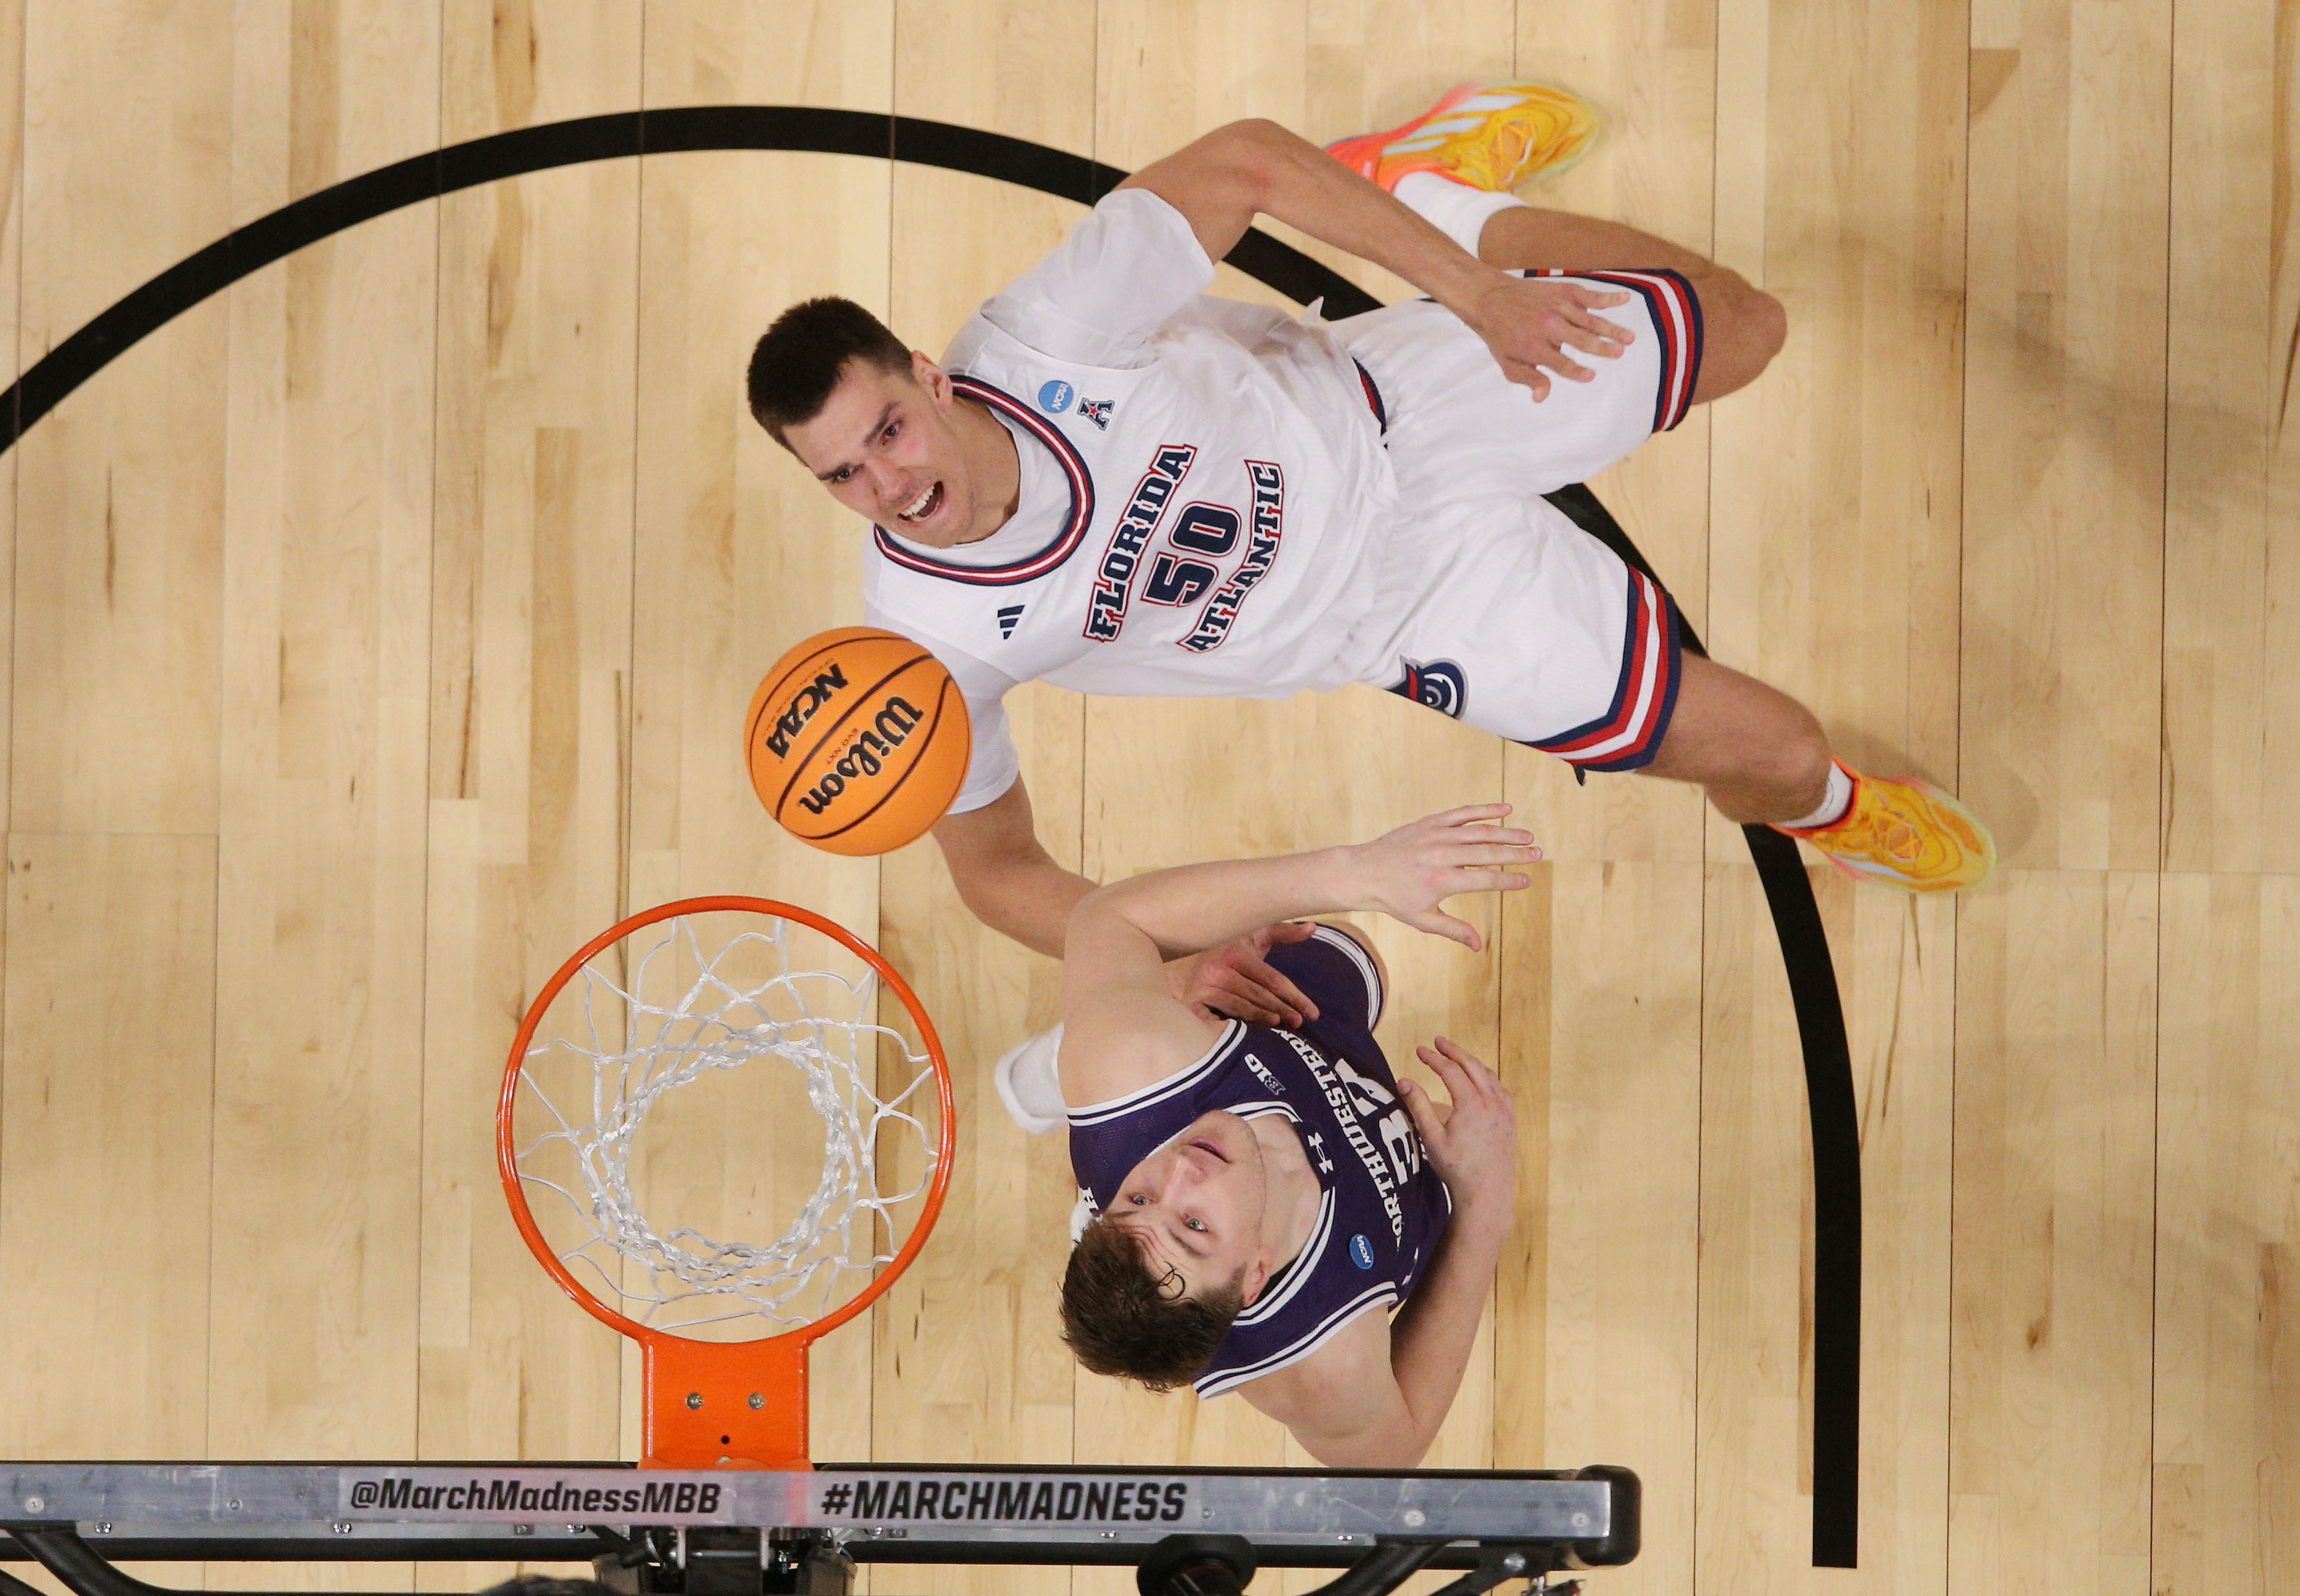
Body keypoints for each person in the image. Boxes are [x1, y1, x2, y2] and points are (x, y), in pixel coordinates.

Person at [744, 82, 1995, 1002]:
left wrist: (1479, 294)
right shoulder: (921, 647)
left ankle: (1437, 198)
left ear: (926, 373)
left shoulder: (1050, 334)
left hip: (1397, 404)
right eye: (844, 475)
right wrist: (1164, 958)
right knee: (1779, 750)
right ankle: (1828, 809)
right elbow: (998, 872)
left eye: (890, 431)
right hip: (1409, 611)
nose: (889, 484)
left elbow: (1247, 159)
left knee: (1751, 327)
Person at [1054, 803, 1535, 1465]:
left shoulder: (1129, 1065)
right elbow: (1390, 1453)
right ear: (1254, 1272)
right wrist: (1481, 1212)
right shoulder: (1319, 1363)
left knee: (1343, 952)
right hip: (1385, 1194)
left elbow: (1106, 918)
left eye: (1135, 1201)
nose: (1176, 1172)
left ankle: (1140, 1001)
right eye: (1194, 1225)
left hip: (1267, 1032)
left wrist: (1354, 871)